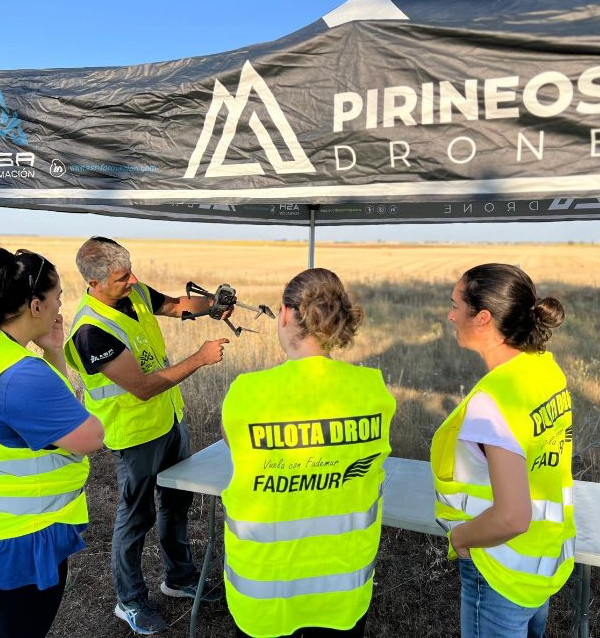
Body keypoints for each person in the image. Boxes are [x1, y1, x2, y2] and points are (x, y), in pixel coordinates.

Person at [63, 236, 228, 634]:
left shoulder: (133, 292)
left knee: (176, 503)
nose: (133, 280)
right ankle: (130, 600)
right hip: (135, 435)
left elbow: (174, 305)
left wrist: (213, 306)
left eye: (130, 271)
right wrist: (200, 359)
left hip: (169, 422)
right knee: (136, 518)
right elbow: (143, 386)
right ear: (94, 283)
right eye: (122, 277)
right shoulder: (91, 333)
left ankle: (179, 579)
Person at [220, 268, 396, 638]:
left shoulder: (247, 392)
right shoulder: (374, 391)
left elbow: (233, 443)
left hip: (264, 586)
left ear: (285, 314)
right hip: (342, 587)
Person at [0, 248, 104, 638]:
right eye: (58, 297)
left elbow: (46, 416)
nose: (62, 305)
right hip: (20, 538)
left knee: (2, 626)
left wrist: (50, 349)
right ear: (34, 305)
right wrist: (53, 357)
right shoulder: (22, 377)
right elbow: (89, 436)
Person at [431, 263, 575, 638]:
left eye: (455, 305)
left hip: (498, 569)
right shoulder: (544, 370)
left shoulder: (492, 402)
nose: (449, 315)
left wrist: (459, 539)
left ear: (482, 318)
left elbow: (512, 517)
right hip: (539, 563)